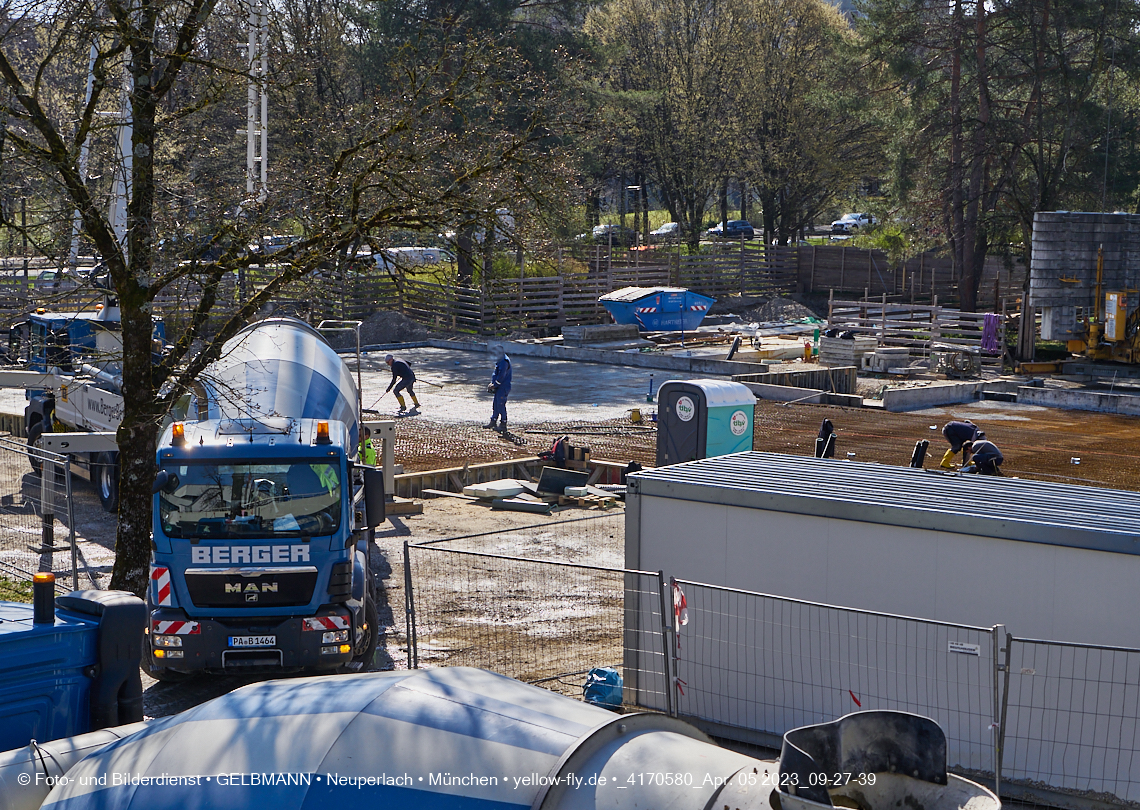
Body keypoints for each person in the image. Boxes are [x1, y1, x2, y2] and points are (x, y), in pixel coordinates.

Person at [485, 345, 512, 432]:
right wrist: (492, 383)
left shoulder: (504, 362)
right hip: (499, 387)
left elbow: (501, 375)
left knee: (500, 405)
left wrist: (495, 385)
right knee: (496, 404)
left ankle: (503, 424)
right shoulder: (500, 360)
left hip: (503, 387)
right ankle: (493, 421)